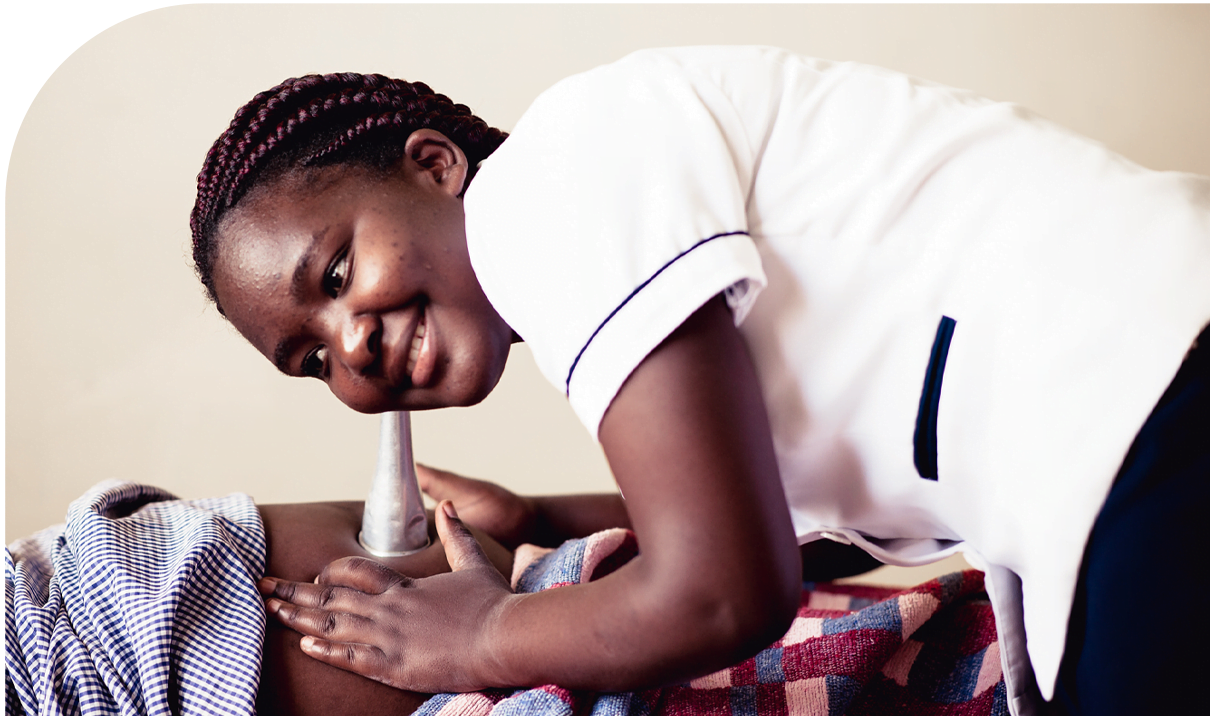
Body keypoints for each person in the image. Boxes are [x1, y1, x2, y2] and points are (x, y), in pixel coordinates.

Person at [188, 48, 1209, 715]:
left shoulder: (548, 186)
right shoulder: (606, 253)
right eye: (310, 357)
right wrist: (536, 518)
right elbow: (752, 515)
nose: (348, 347)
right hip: (1127, 399)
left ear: (435, 164)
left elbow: (722, 587)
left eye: (332, 275)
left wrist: (483, 634)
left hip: (1136, 394)